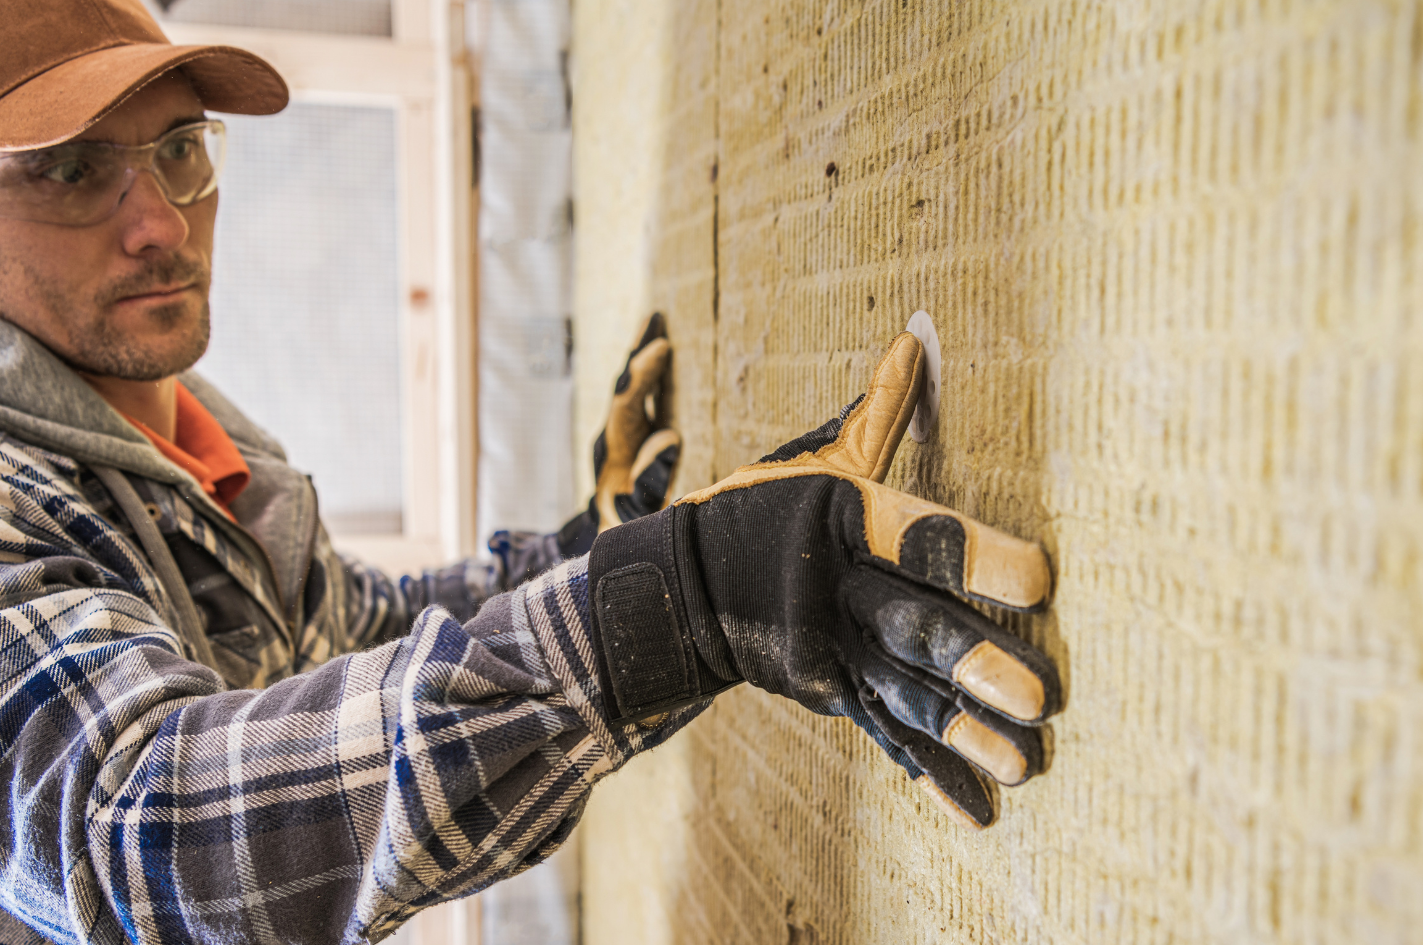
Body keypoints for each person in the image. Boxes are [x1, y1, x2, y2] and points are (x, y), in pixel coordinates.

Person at [0, 1, 1064, 942]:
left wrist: (607, 542)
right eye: (70, 169)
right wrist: (671, 603)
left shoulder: (205, 464)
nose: (160, 221)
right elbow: (138, 842)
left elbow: (360, 630)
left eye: (180, 147)